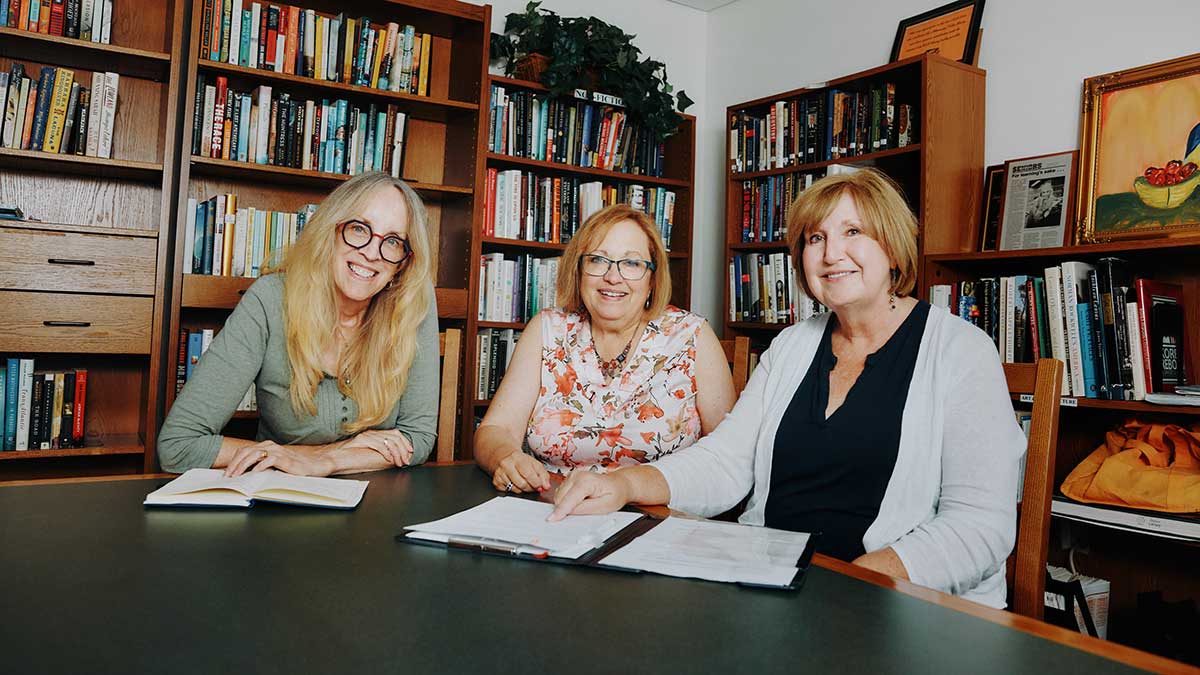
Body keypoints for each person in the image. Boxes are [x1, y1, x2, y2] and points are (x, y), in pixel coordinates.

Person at [550, 169, 1026, 608]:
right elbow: (726, 461)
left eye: (853, 232)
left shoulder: (961, 351)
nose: (831, 252)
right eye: (815, 238)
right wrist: (622, 483)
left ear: (893, 247)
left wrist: (853, 582)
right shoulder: (793, 345)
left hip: (898, 605)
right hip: (773, 584)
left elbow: (980, 526)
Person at [158, 172, 440, 477]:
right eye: (359, 229)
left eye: (393, 241)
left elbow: (418, 439)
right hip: (278, 499)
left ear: (403, 262)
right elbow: (178, 446)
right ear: (330, 231)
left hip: (380, 503)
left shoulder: (412, 301)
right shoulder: (269, 300)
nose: (372, 253)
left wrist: (328, 461)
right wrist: (323, 453)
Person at [475, 204, 736, 494]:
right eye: (598, 260)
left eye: (632, 264)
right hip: (554, 508)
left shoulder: (693, 335)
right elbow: (495, 431)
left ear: (653, 278)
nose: (613, 277)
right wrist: (507, 458)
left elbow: (728, 456)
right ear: (579, 270)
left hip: (659, 514)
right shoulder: (548, 329)